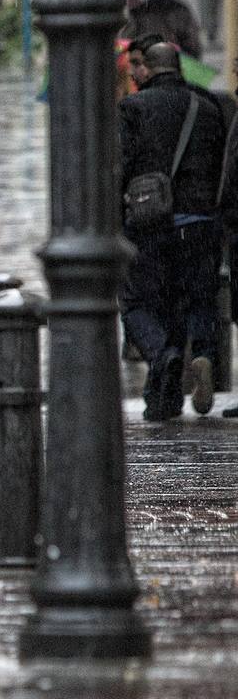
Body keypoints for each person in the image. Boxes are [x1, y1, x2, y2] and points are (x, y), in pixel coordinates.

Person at [119, 40, 227, 420]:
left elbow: (121, 166)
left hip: (153, 223)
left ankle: (162, 355)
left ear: (147, 68)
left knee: (139, 303)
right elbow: (222, 163)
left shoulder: (134, 107)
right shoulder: (209, 106)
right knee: (197, 299)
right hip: (200, 221)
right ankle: (201, 355)